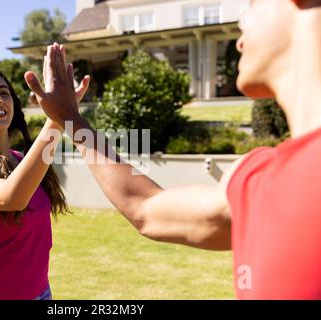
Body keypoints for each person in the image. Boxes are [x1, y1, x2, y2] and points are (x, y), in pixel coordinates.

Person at [25, 0, 321, 299]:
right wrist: (72, 120)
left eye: (251, 9)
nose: (239, 38)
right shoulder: (254, 181)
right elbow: (146, 208)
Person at [0, 66, 89, 300]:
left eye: (4, 92)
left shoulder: (23, 161)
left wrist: (65, 112)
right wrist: (58, 116)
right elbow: (11, 198)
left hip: (40, 293)